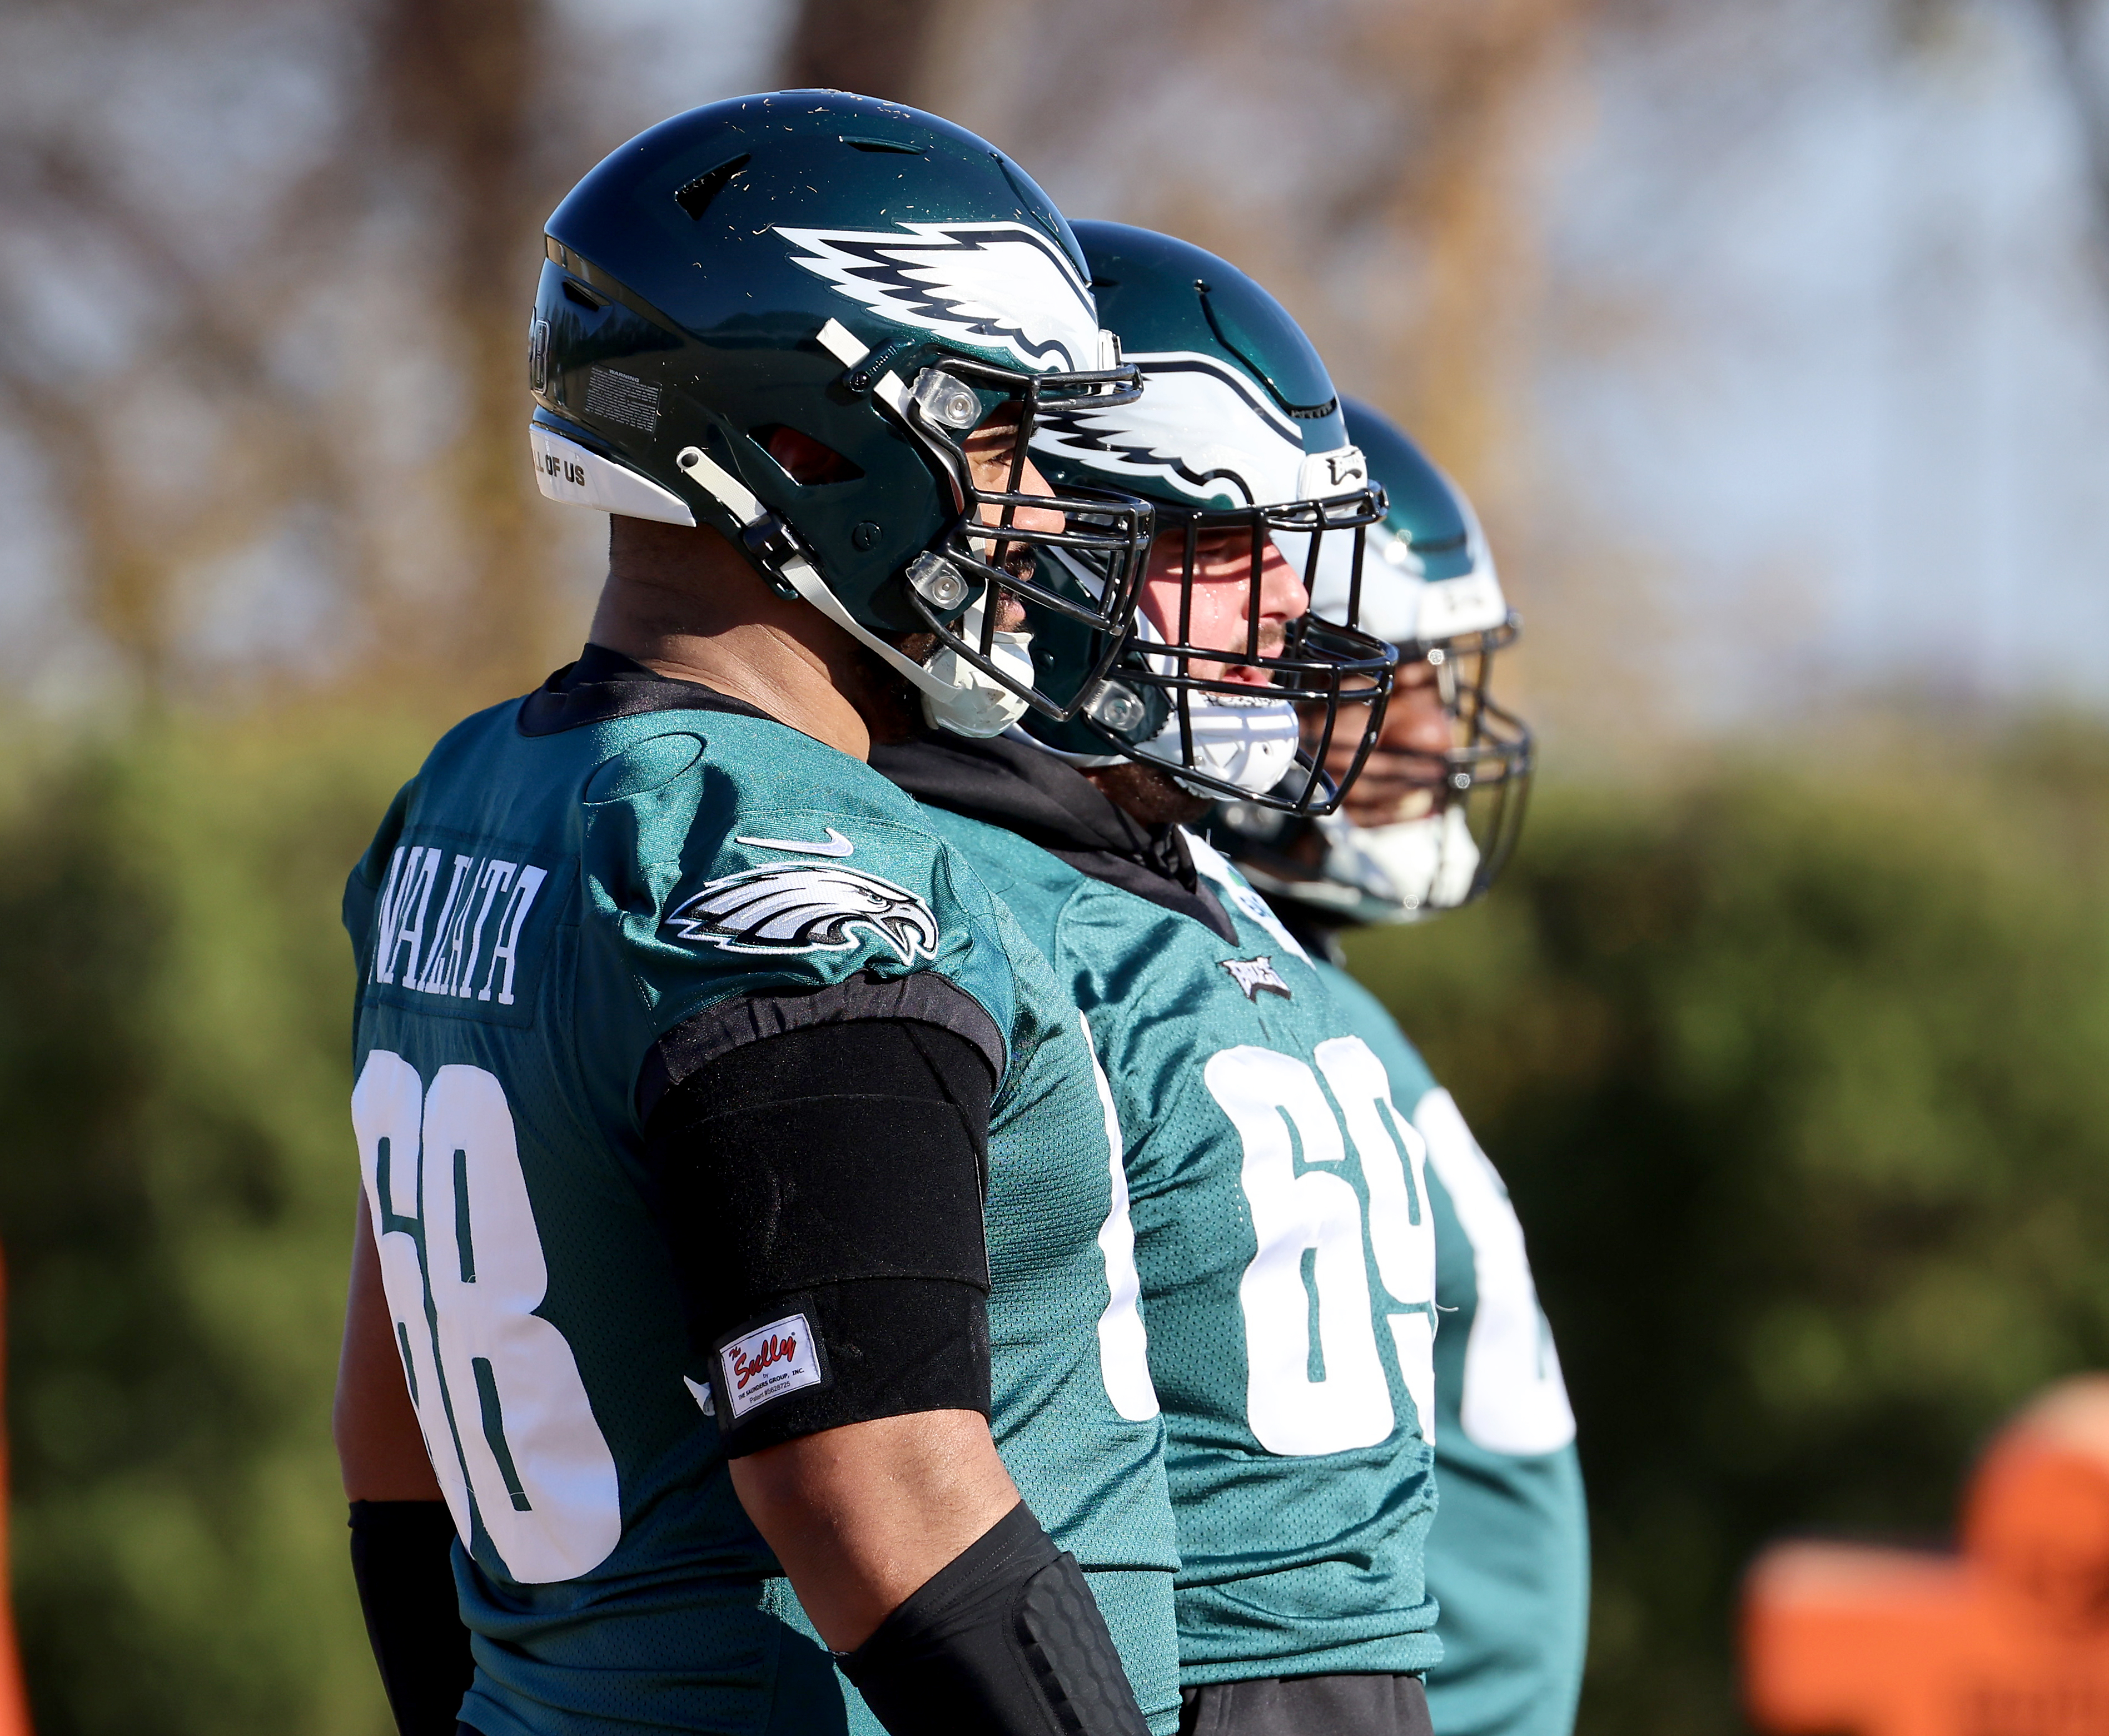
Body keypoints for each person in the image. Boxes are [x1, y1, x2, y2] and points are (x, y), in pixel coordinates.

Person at [330, 92, 1185, 1736]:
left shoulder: (469, 793)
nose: (1044, 510)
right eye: (996, 433)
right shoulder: (773, 848)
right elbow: (872, 1481)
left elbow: (397, 1417)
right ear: (802, 445)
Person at [872, 223, 1470, 1736]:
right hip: (1148, 1676)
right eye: (1220, 540)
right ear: (1044, 545)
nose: (1284, 599)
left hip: (1359, 1668)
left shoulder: (1205, 883)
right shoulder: (949, 898)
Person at [1211, 397, 1589, 1736]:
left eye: (1439, 678)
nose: (1429, 736)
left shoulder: (1307, 985)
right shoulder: (1218, 996)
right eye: (1380, 679)